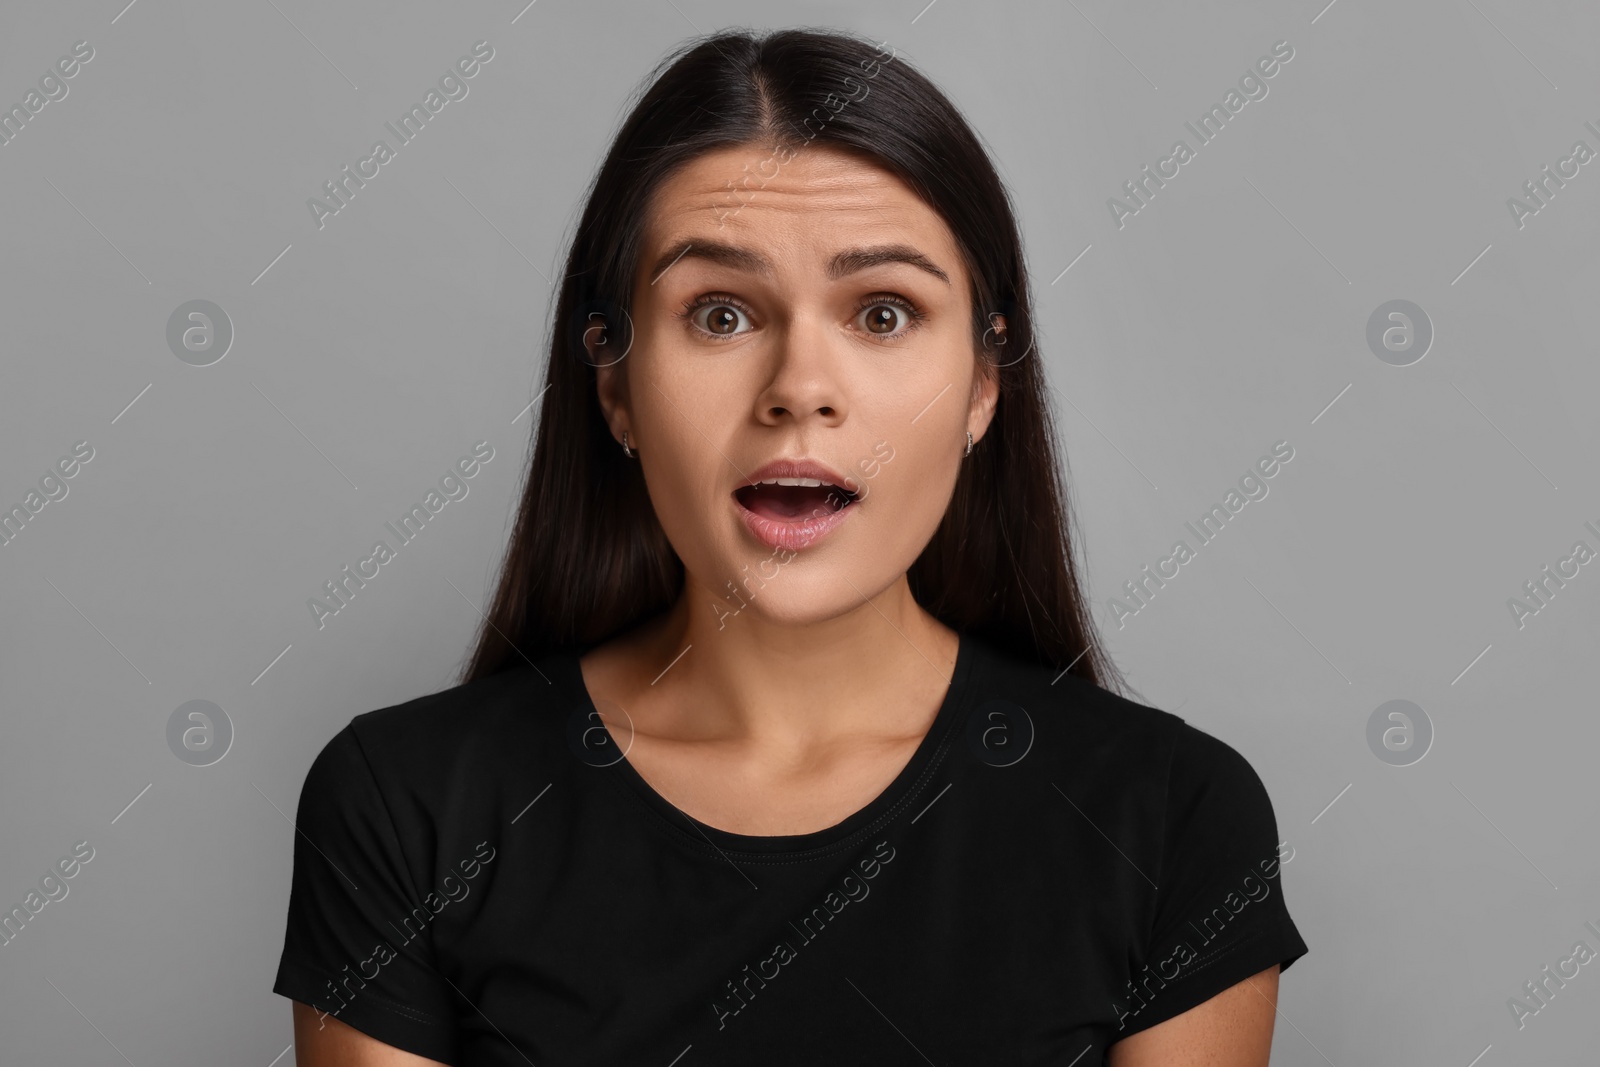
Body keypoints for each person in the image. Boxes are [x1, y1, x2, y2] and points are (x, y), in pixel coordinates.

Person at [272, 27, 1308, 1066]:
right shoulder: (405, 807)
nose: (798, 386)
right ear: (615, 386)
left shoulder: (1170, 820)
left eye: (884, 312)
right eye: (720, 313)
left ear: (985, 383)